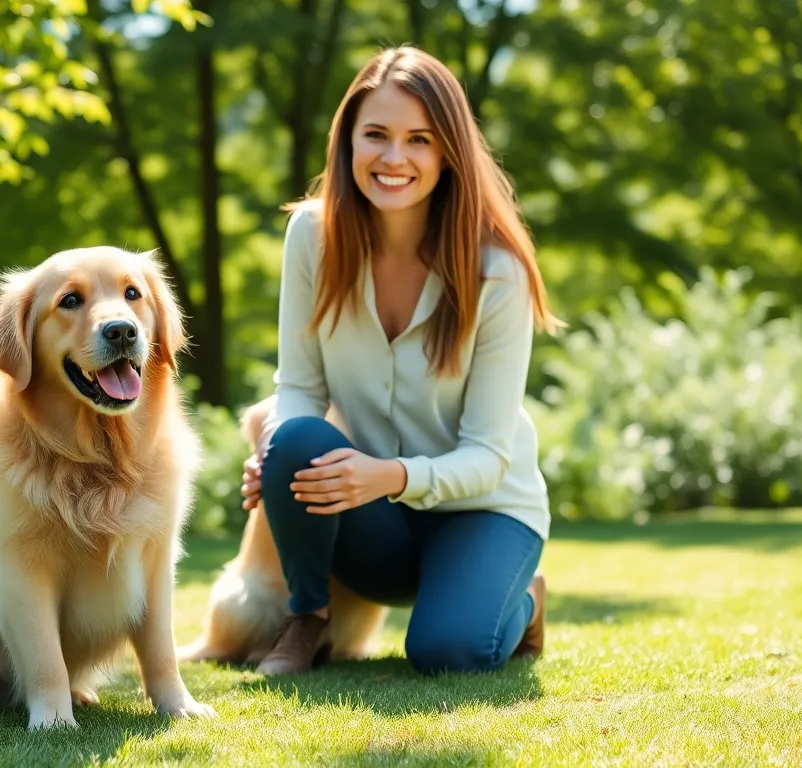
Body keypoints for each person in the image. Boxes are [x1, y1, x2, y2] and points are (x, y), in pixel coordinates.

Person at [240, 45, 563, 676]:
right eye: (377, 136)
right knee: (297, 435)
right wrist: (276, 455)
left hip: (485, 510)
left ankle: (523, 602)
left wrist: (390, 476)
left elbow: (490, 456)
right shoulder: (311, 236)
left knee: (450, 652)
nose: (394, 158)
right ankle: (306, 618)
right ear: (348, 142)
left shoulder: (496, 271)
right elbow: (299, 387)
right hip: (374, 525)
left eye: (419, 139)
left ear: (448, 153)